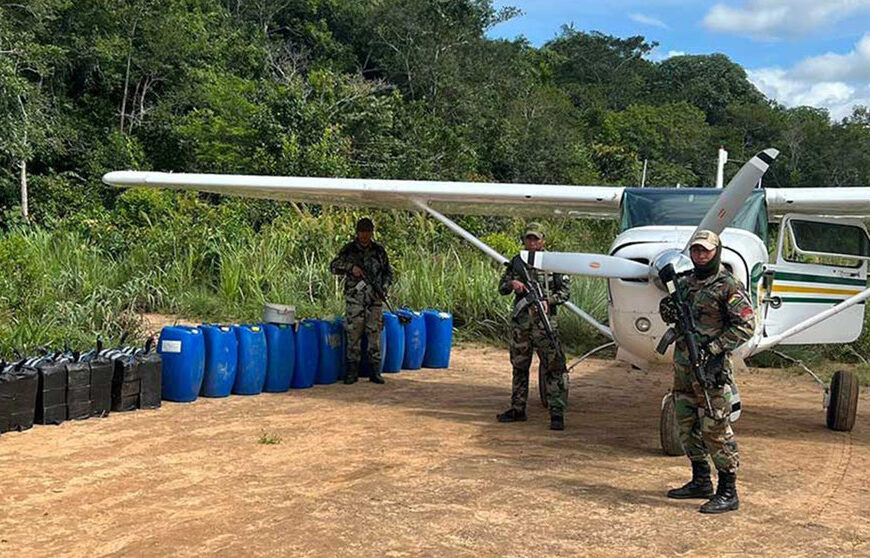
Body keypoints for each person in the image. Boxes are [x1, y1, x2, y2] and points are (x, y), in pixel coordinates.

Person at [660, 229, 755, 514]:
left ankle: (728, 490)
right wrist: (669, 309)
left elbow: (745, 326)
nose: (700, 255)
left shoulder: (728, 286)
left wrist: (713, 348)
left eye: (706, 250)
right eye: (696, 250)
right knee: (686, 424)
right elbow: (671, 311)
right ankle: (701, 480)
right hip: (684, 368)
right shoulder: (685, 284)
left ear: (717, 252)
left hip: (711, 371)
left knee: (716, 428)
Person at [496, 222, 572, 430]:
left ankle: (557, 412)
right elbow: (502, 287)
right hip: (522, 326)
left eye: (536, 239)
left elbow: (565, 293)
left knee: (554, 367)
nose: (532, 242)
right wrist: (513, 284)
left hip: (545, 326)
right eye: (529, 238)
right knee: (519, 367)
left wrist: (550, 301)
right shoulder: (517, 262)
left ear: (543, 241)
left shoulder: (553, 263)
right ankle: (517, 409)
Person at [329, 217, 393, 385]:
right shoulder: (349, 250)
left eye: (367, 232)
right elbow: (333, 266)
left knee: (374, 334)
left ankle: (375, 371)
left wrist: (383, 289)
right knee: (353, 334)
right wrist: (351, 268)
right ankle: (352, 372)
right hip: (355, 299)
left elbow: (388, 273)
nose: (364, 235)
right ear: (357, 233)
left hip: (374, 299)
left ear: (372, 232)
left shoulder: (379, 251)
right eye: (362, 232)